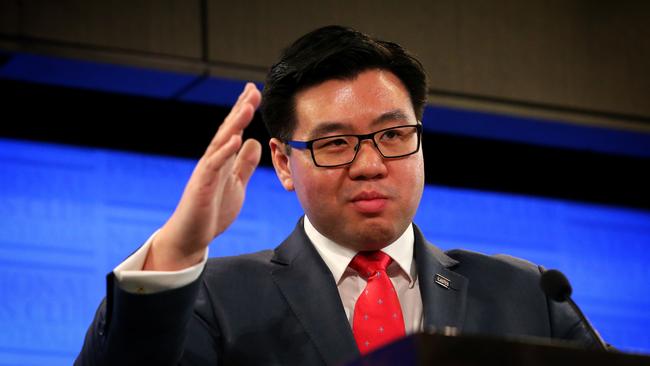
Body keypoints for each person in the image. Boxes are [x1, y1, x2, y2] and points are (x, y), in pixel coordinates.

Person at [75, 25, 602, 366]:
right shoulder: (216, 298)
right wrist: (178, 250)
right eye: (335, 143)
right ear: (283, 162)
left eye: (393, 135)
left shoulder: (528, 296)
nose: (370, 165)